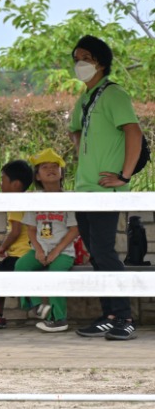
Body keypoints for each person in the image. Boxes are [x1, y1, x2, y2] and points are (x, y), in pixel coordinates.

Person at [69, 36, 144, 341]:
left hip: (105, 191)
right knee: (95, 254)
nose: (79, 63)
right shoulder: (85, 98)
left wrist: (124, 176)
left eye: (85, 57)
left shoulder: (114, 94)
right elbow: (75, 130)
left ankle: (124, 317)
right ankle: (109, 314)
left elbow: (134, 132)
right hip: (84, 188)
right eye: (76, 58)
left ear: (100, 61)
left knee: (104, 251)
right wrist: (86, 154)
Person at [14, 149, 79, 333]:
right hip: (40, 250)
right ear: (38, 176)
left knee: (54, 275)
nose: (51, 169)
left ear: (61, 173)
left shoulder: (69, 199)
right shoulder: (35, 199)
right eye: (45, 167)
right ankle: (37, 307)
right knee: (21, 266)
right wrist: (39, 251)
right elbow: (31, 229)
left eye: (55, 167)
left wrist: (55, 252)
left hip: (63, 252)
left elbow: (74, 229)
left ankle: (59, 319)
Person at [0, 159, 34, 328]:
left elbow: (15, 231)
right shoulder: (27, 201)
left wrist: (3, 246)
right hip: (28, 253)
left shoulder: (16, 203)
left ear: (16, 184)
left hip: (20, 255)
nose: (0, 184)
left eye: (3, 180)